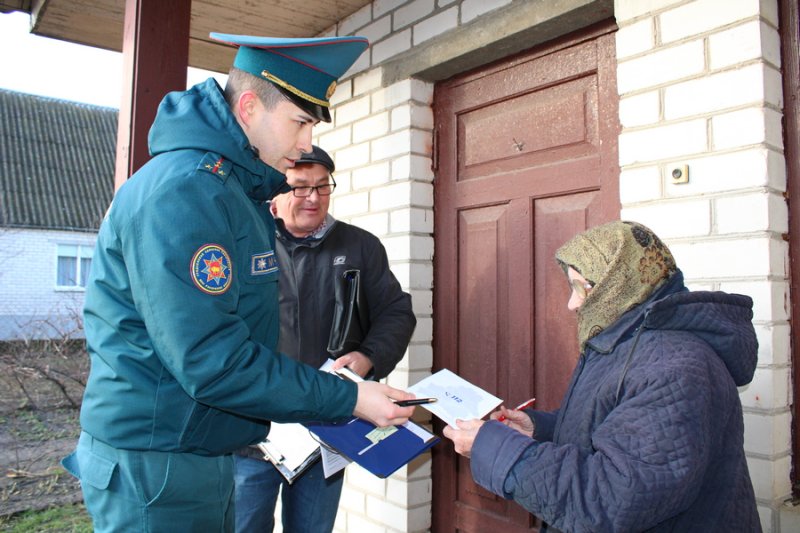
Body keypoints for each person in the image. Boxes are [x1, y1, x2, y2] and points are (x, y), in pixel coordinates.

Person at [61, 33, 417, 532]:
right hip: (160, 463)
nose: (305, 144)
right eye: (300, 122)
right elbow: (213, 360)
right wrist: (352, 398)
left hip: (196, 450)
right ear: (249, 106)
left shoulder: (229, 189)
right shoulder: (189, 191)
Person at [443, 220, 761, 532]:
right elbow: (613, 428)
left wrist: (498, 450)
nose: (572, 304)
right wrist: (538, 430)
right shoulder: (625, 341)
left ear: (621, 282)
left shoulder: (672, 367)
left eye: (584, 287)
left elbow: (613, 500)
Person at [233, 145, 417, 532]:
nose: (313, 197)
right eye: (300, 187)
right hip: (254, 434)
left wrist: (368, 357)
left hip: (326, 432)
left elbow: (396, 313)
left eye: (322, 186)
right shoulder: (246, 243)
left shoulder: (359, 247)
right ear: (276, 195)